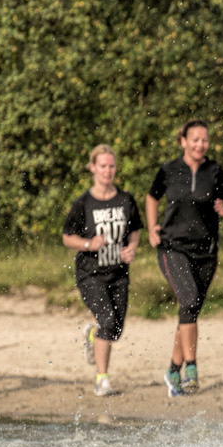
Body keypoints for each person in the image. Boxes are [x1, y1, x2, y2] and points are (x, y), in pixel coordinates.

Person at [145, 119, 223, 397]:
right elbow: (152, 197)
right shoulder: (168, 170)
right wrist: (151, 228)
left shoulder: (215, 171)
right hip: (173, 248)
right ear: (182, 141)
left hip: (206, 251)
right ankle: (191, 368)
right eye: (194, 139)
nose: (200, 144)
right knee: (190, 300)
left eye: (204, 140)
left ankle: (172, 369)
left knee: (189, 310)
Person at [61, 144, 142, 398]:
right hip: (90, 273)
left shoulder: (125, 200)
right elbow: (66, 237)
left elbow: (136, 229)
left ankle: (92, 335)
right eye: (103, 166)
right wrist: (88, 244)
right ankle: (101, 380)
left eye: (112, 166)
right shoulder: (84, 203)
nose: (108, 171)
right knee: (107, 320)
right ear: (93, 168)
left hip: (118, 274)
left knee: (115, 330)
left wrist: (131, 248)